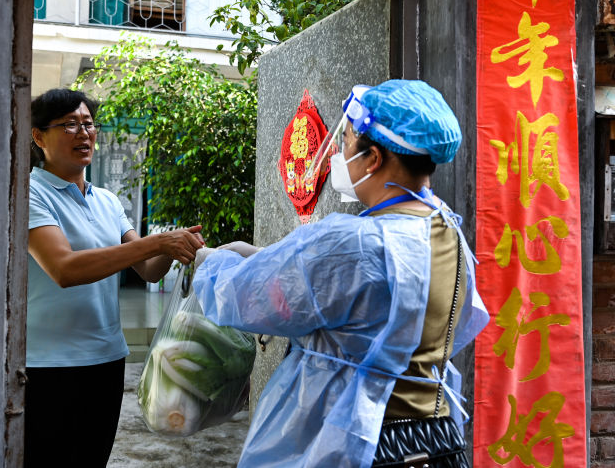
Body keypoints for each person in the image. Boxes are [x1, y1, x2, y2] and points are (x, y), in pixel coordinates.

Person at [192, 80, 489, 468]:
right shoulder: (446, 228)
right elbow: (378, 292)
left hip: (362, 443)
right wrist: (265, 256)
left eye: (346, 141)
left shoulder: (355, 243)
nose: (338, 152)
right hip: (434, 439)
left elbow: (244, 298)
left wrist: (209, 262)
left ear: (374, 159)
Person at [24, 88, 205, 467]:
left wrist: (176, 247)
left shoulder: (106, 200)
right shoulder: (30, 193)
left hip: (106, 359)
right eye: (69, 124)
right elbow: (64, 269)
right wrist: (157, 242)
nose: (83, 133)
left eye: (88, 124)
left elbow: (147, 268)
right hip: (49, 366)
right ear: (39, 137)